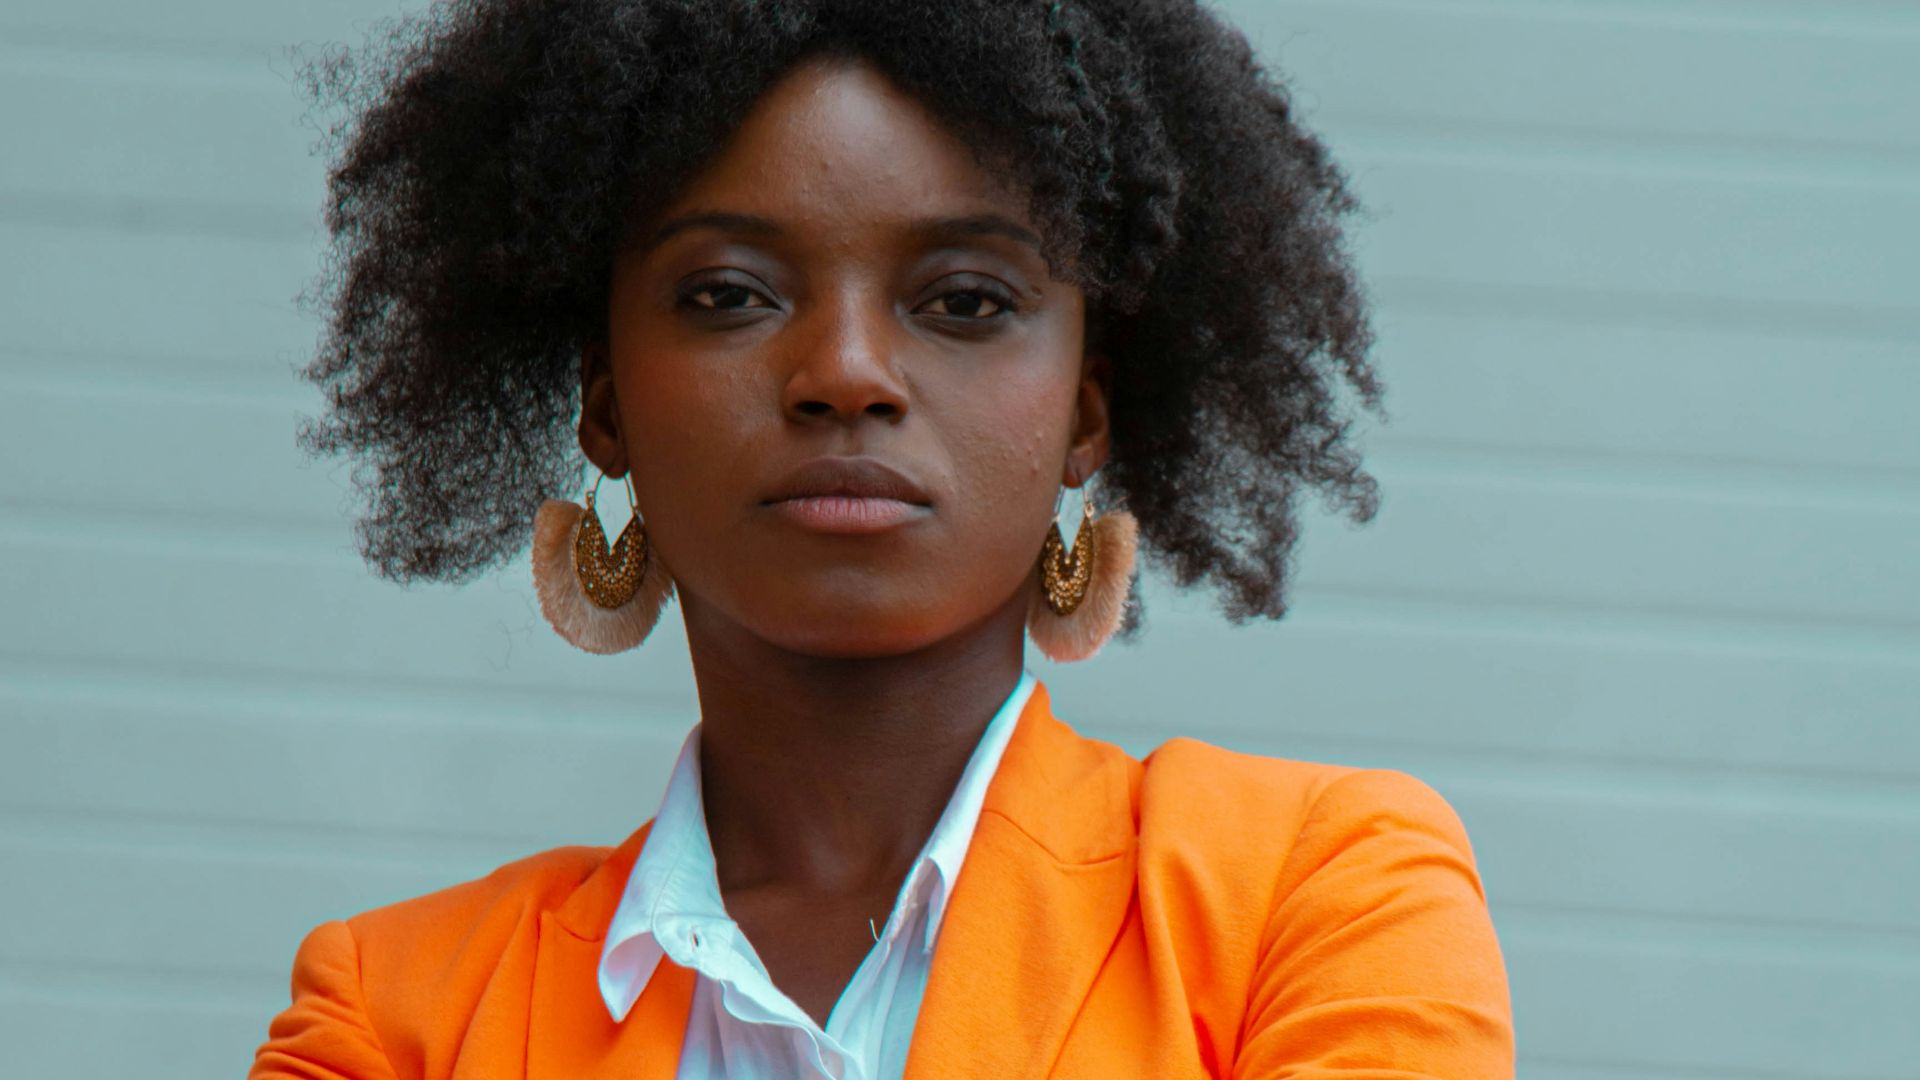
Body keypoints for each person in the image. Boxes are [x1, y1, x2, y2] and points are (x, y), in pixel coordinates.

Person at [252, 1, 1514, 1076]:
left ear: (1087, 413)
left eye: (965, 301)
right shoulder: (399, 1018)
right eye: (729, 295)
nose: (847, 374)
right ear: (605, 405)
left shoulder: (1314, 897)